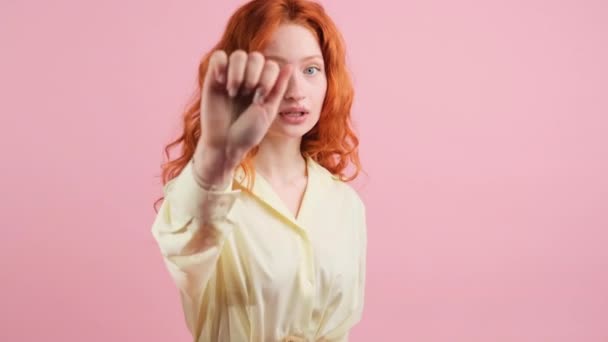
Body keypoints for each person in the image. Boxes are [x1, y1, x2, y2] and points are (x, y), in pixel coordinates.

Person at [151, 0, 367, 340]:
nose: (296, 91)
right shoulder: (210, 190)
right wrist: (215, 159)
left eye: (311, 70)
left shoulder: (345, 204)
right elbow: (184, 247)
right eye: (275, 70)